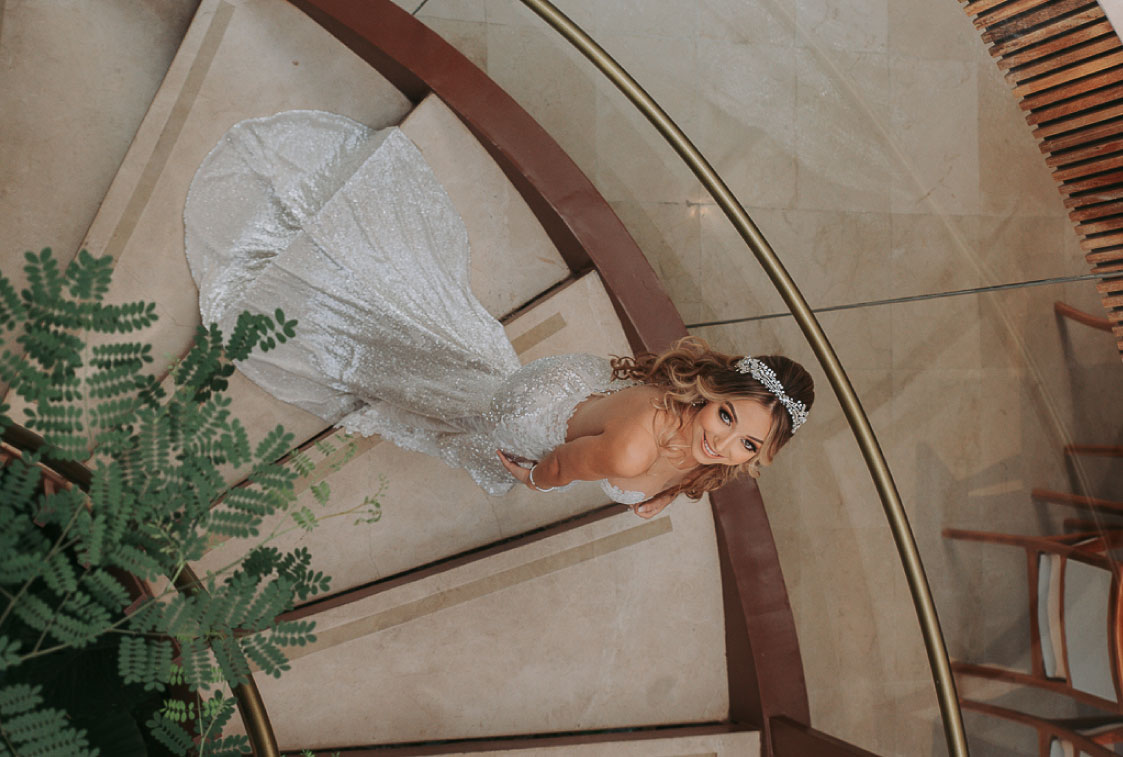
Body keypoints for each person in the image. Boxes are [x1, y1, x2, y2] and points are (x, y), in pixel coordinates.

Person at [184, 110, 813, 517]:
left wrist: (673, 486)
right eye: (726, 415)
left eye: (747, 443)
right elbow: (560, 466)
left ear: (761, 454)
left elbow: (693, 457)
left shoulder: (699, 439)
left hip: (575, 388)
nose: (721, 442)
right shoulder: (628, 451)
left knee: (463, 380)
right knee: (467, 412)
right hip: (538, 414)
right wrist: (532, 477)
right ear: (711, 392)